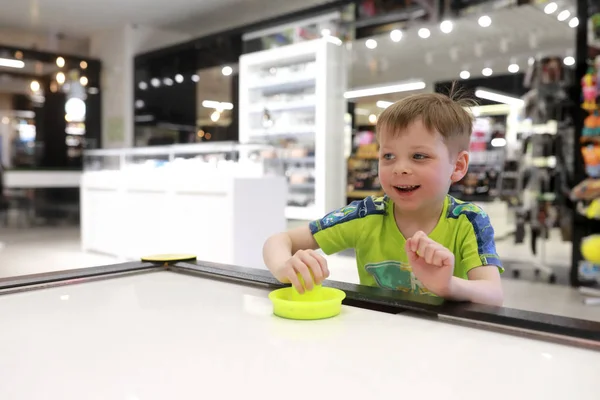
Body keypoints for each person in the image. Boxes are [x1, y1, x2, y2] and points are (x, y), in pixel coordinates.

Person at [262, 90, 504, 306]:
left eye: (419, 156)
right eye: (388, 156)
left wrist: (448, 286)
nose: (399, 168)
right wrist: (285, 267)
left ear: (458, 166)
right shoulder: (365, 214)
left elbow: (493, 293)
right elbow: (279, 240)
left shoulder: (469, 221)